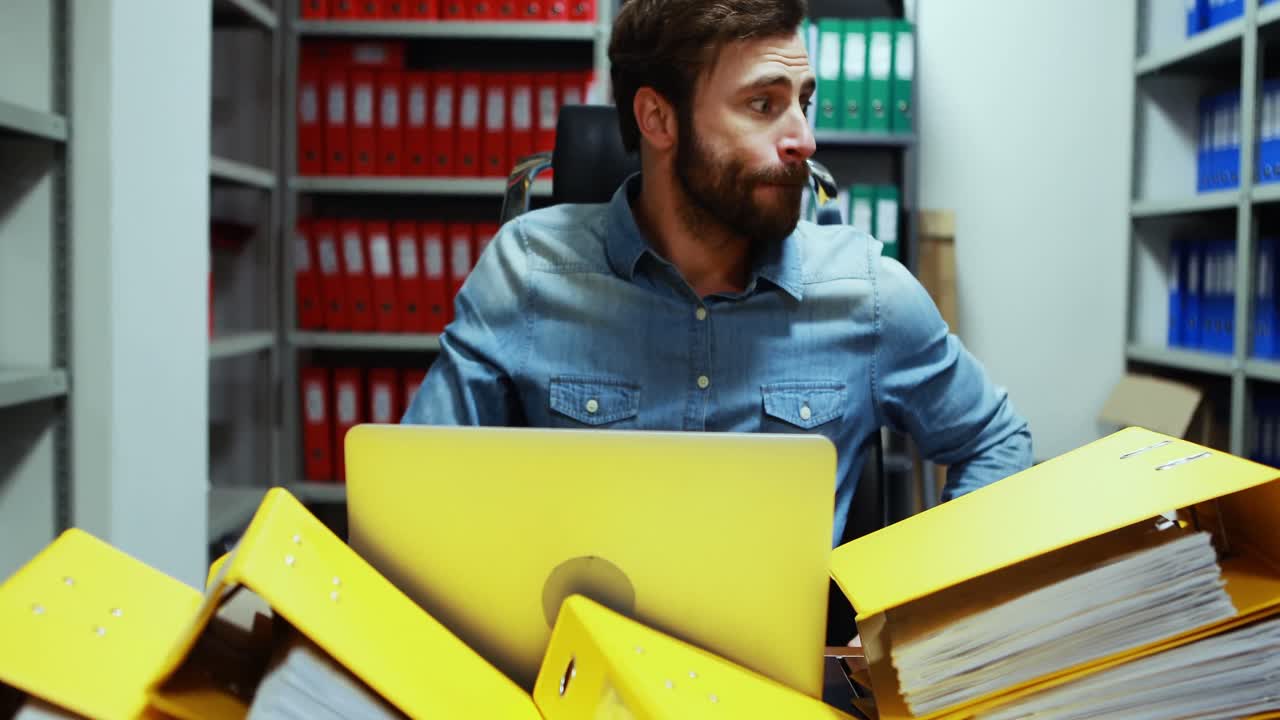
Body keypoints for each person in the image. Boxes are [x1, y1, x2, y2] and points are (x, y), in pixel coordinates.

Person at [404, 0, 1031, 559]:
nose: (804, 139)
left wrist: (917, 604)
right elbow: (416, 486)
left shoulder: (867, 293)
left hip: (781, 654)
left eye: (803, 103)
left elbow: (997, 442)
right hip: (574, 644)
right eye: (763, 105)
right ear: (658, 119)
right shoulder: (528, 273)